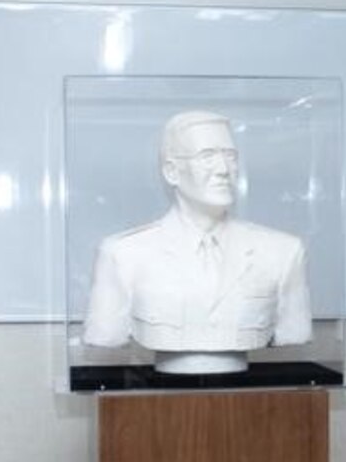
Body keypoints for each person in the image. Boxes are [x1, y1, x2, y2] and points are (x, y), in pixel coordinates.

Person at [81, 108, 311, 374]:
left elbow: (295, 330)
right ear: (171, 172)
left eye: (230, 156)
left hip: (248, 401)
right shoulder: (123, 254)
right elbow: (106, 332)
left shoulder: (282, 252)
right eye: (207, 156)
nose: (224, 170)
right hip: (160, 402)